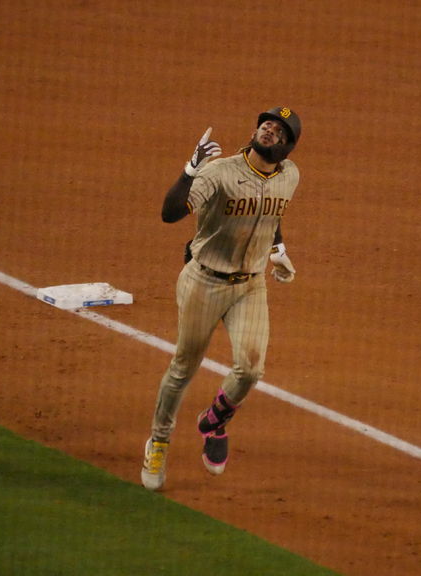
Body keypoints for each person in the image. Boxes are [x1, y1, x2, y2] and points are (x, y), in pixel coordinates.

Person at [141, 107, 302, 490]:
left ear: (288, 147)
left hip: (251, 286)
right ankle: (158, 441)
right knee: (183, 367)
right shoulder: (220, 172)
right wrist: (190, 169)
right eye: (266, 124)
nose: (269, 129)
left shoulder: (290, 176)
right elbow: (169, 213)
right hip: (204, 283)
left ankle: (213, 420)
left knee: (250, 369)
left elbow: (270, 210)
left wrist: (278, 249)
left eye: (279, 130)